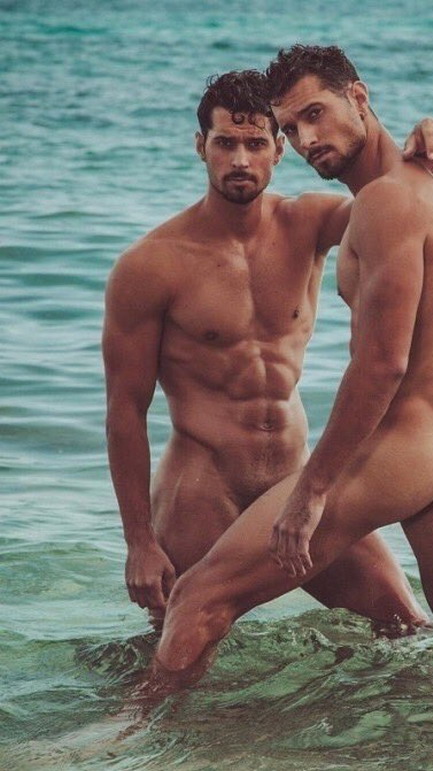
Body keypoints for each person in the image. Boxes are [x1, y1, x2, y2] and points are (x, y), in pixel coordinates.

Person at [149, 52, 433, 692]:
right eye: (292, 127)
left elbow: (382, 365)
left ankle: (130, 735)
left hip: (402, 447)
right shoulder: (417, 185)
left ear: (358, 96)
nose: (307, 140)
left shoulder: (387, 200)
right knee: (414, 630)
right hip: (424, 451)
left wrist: (311, 491)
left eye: (316, 114)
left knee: (197, 599)